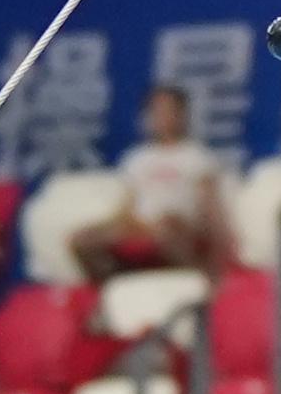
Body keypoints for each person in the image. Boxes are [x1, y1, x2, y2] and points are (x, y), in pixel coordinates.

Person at [73, 80, 230, 285]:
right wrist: (124, 224)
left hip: (178, 226)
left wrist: (218, 249)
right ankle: (112, 288)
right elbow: (127, 204)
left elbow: (209, 210)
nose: (161, 117)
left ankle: (194, 281)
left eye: (168, 111)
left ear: (182, 114)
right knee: (82, 239)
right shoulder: (136, 159)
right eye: (155, 111)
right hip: (138, 226)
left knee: (168, 228)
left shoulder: (197, 157)